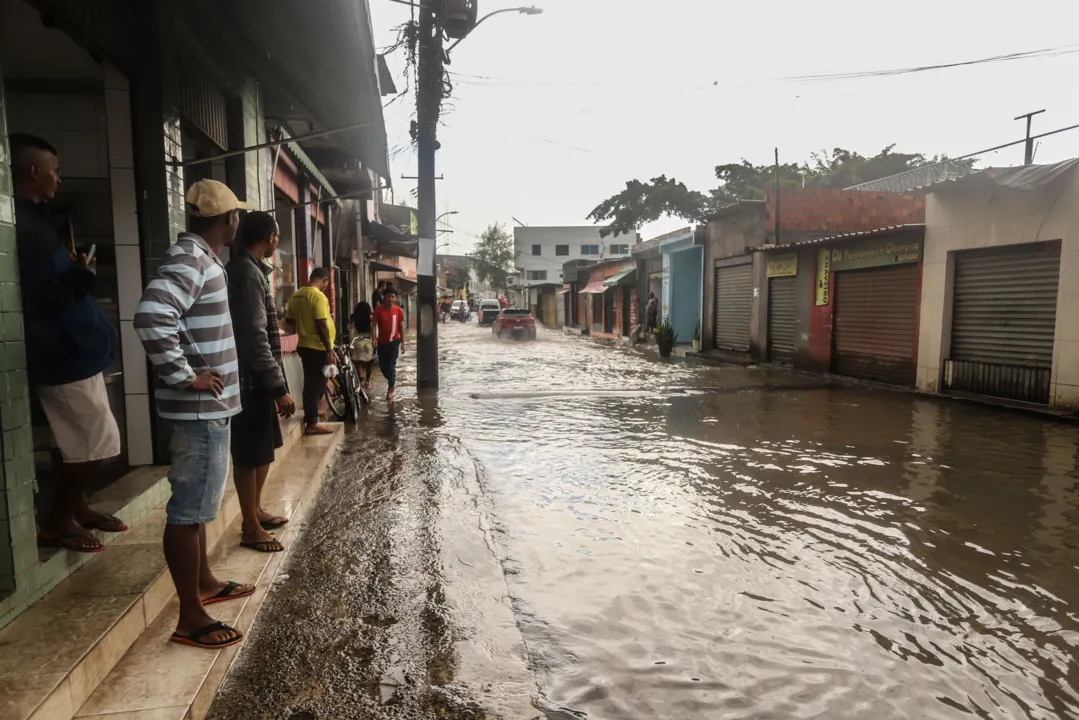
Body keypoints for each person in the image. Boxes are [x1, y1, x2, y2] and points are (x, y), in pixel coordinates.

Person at [134, 179, 256, 650]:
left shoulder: (203, 259)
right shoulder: (191, 260)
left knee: (200, 507)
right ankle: (190, 616)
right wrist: (188, 377)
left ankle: (203, 581)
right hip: (200, 410)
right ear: (229, 219)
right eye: (235, 215)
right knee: (188, 512)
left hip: (207, 409)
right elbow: (150, 316)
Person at [11, 133, 123, 554]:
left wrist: (77, 271)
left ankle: (78, 505)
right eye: (54, 171)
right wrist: (84, 277)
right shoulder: (18, 226)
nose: (59, 179)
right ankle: (58, 521)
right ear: (34, 171)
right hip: (61, 355)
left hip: (78, 351)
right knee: (96, 441)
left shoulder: (39, 218)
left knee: (76, 441)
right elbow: (41, 297)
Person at [226, 211, 296, 554]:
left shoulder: (251, 269)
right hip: (250, 380)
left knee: (265, 449)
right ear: (270, 237)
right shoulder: (245, 272)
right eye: (277, 236)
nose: (277, 241)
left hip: (259, 379)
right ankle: (250, 527)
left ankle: (255, 510)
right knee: (249, 455)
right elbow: (254, 336)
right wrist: (277, 387)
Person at [285, 268, 336, 435]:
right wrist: (329, 349)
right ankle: (312, 422)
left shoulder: (296, 295)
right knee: (317, 384)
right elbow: (322, 324)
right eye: (326, 284)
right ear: (324, 281)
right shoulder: (318, 296)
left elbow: (289, 322)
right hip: (318, 347)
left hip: (304, 346)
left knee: (312, 383)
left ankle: (312, 418)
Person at [372, 286, 406, 403]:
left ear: (395, 298)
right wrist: (373, 339)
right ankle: (391, 380)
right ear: (384, 297)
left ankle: (390, 389)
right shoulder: (378, 310)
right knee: (382, 366)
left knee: (391, 365)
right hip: (381, 343)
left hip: (394, 342)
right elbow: (374, 325)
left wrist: (403, 343)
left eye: (392, 296)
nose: (390, 299)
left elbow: (401, 327)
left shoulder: (399, 311)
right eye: (388, 296)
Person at [350, 302, 376, 392]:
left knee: (358, 364)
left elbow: (350, 328)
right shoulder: (371, 318)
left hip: (357, 342)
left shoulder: (353, 317)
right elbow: (374, 329)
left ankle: (359, 380)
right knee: (369, 364)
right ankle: (367, 382)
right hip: (368, 343)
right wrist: (374, 340)